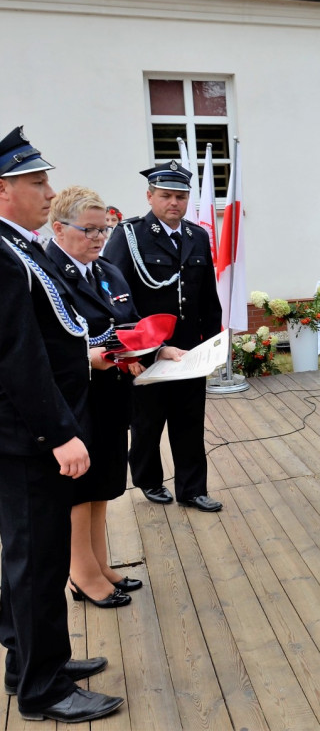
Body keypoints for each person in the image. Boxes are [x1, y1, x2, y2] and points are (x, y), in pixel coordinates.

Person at [0, 126, 123, 722]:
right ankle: (42, 690)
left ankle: (30, 661)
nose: (48, 191)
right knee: (38, 561)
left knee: (33, 559)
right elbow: (18, 358)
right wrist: (59, 434)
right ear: (3, 190)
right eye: (36, 182)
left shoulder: (16, 246)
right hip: (28, 439)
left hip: (33, 432)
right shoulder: (3, 255)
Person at [47, 186, 185, 609]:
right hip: (74, 396)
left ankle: (99, 563)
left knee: (104, 480)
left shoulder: (108, 271)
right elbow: (46, 345)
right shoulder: (48, 276)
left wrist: (157, 349)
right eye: (87, 230)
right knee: (79, 486)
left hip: (112, 392)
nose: (97, 238)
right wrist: (91, 359)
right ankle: (81, 573)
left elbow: (127, 327)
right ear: (58, 229)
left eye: (103, 230)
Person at [103, 160, 223, 512]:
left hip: (187, 350)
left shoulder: (197, 236)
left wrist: (212, 345)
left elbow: (207, 297)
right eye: (167, 195)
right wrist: (134, 354)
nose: (175, 203)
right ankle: (149, 479)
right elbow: (114, 297)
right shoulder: (130, 236)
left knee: (190, 422)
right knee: (147, 424)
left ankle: (192, 489)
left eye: (181, 196)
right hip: (148, 351)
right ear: (150, 196)